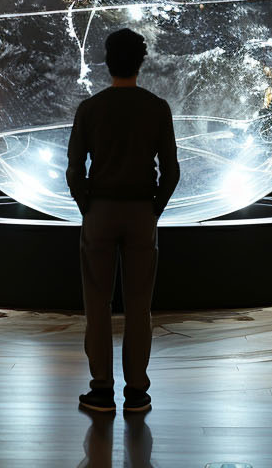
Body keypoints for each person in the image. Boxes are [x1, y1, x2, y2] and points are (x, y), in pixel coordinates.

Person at [66, 28, 180, 413]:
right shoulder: (157, 108)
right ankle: (136, 392)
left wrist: (88, 207)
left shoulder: (90, 109)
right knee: (138, 305)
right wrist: (154, 208)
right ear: (141, 62)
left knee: (96, 303)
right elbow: (172, 171)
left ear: (106, 61)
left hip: (99, 212)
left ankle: (101, 390)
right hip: (140, 214)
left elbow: (73, 170)